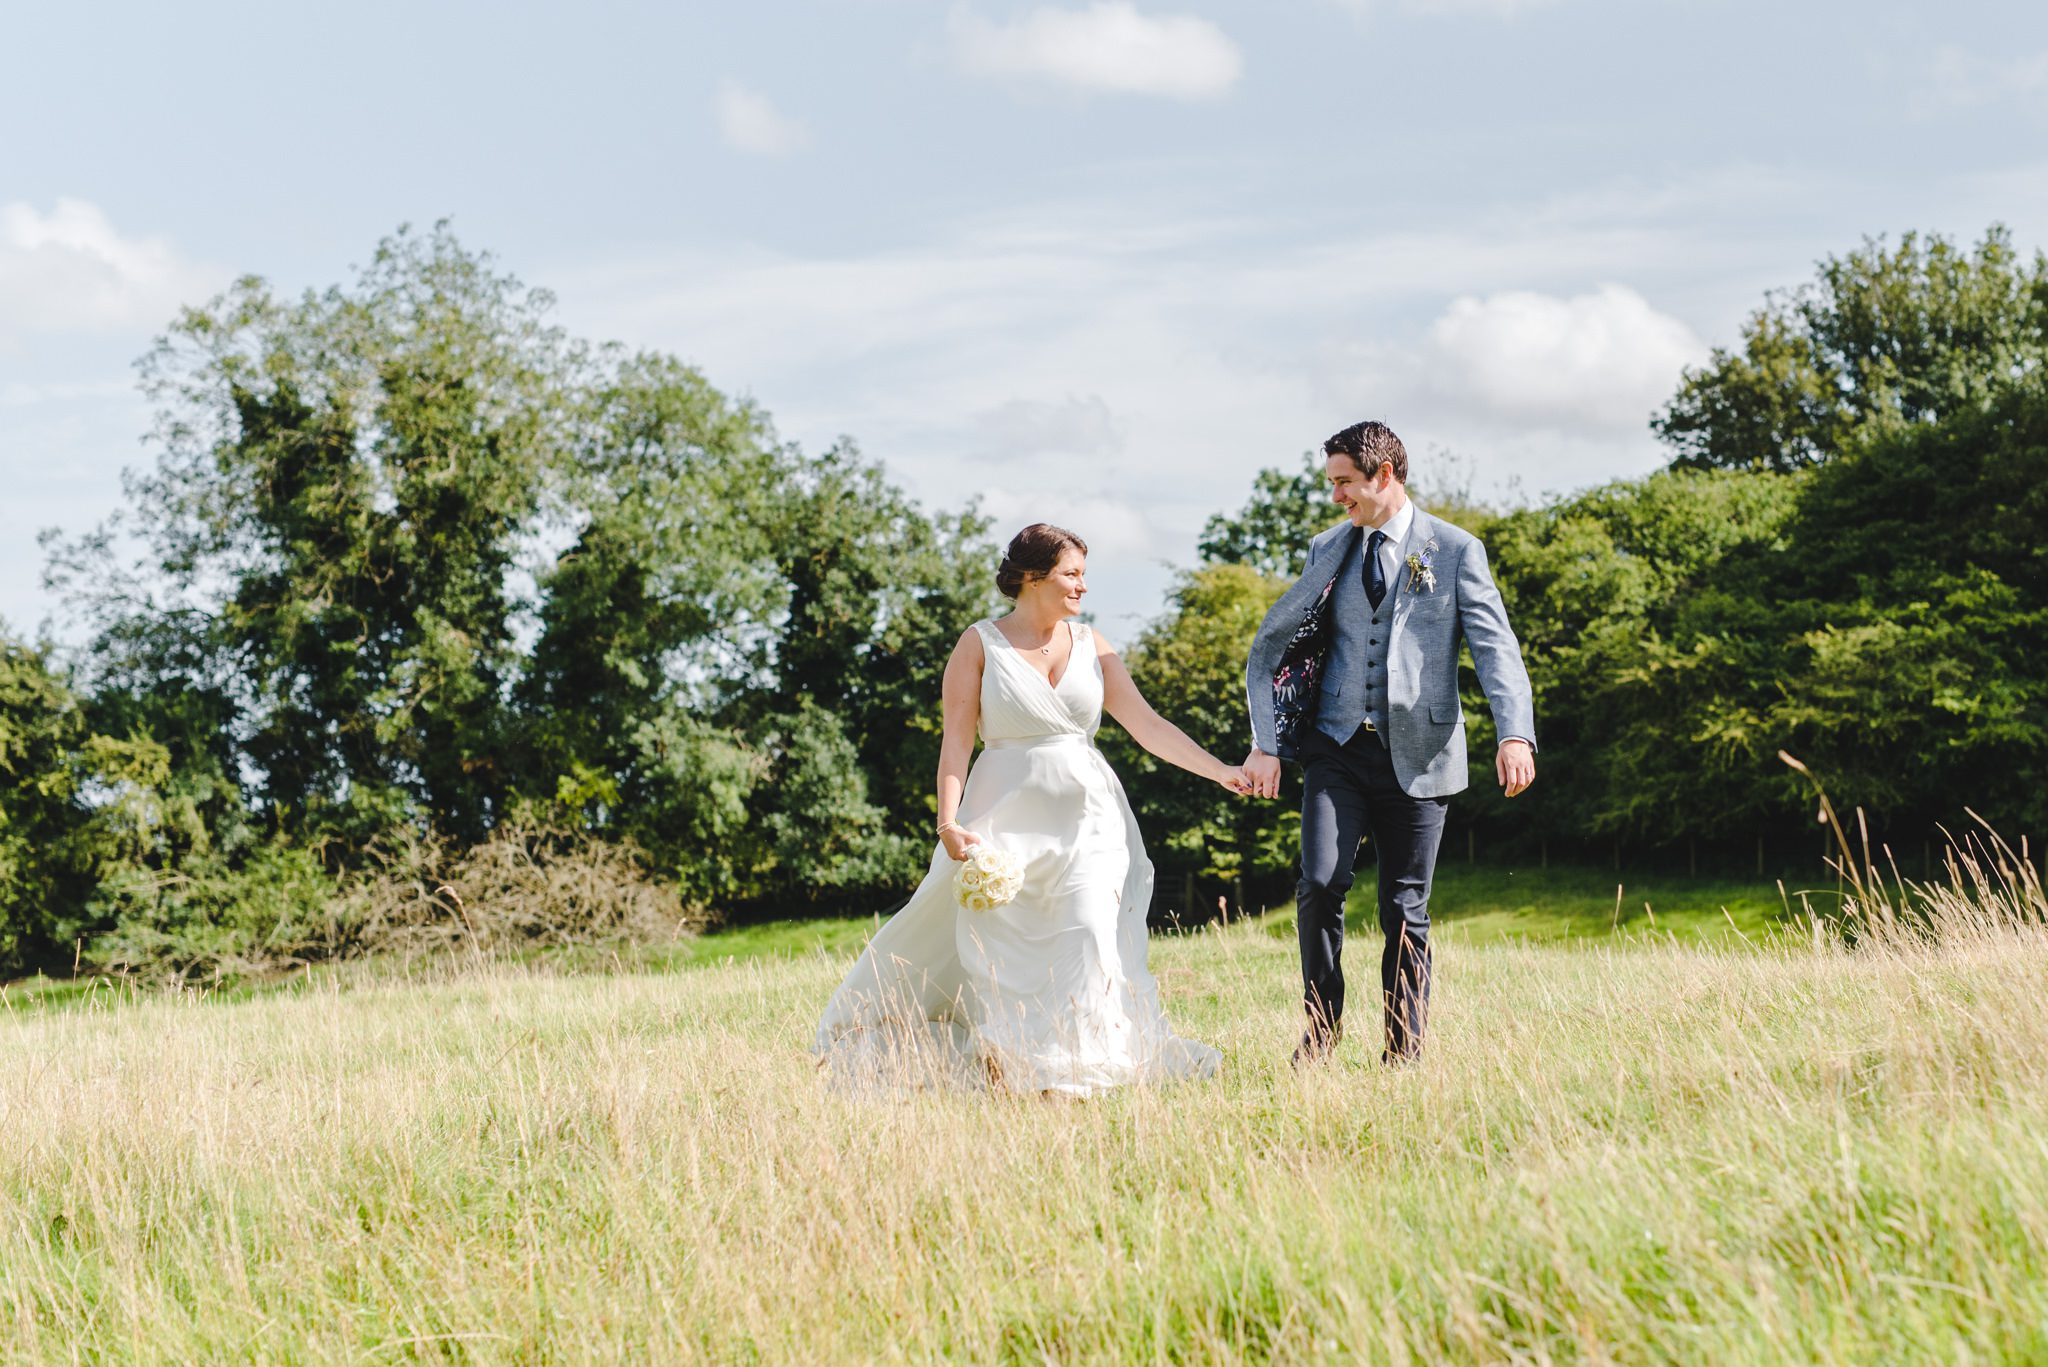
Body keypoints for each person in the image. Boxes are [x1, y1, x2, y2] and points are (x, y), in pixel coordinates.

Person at [815, 523, 1237, 1097]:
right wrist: (948, 823)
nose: (1082, 587)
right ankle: (1017, 1063)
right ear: (1033, 577)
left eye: (1083, 575)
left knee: (1090, 929)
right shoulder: (980, 644)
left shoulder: (1094, 645)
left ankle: (1084, 1070)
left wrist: (1222, 771)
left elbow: (1148, 727)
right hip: (1003, 816)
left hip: (1090, 818)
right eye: (1072, 574)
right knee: (1003, 950)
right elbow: (956, 743)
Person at [1240, 421, 1536, 1067]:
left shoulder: (1456, 550)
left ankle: (1403, 1052)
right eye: (1333, 483)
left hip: (1421, 753)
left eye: (1345, 481)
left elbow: (1496, 649)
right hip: (1334, 745)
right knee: (1318, 882)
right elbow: (1293, 641)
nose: (1336, 495)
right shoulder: (1327, 546)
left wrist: (1514, 731)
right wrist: (1269, 739)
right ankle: (1321, 1028)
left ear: (1384, 474)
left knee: (1404, 907)